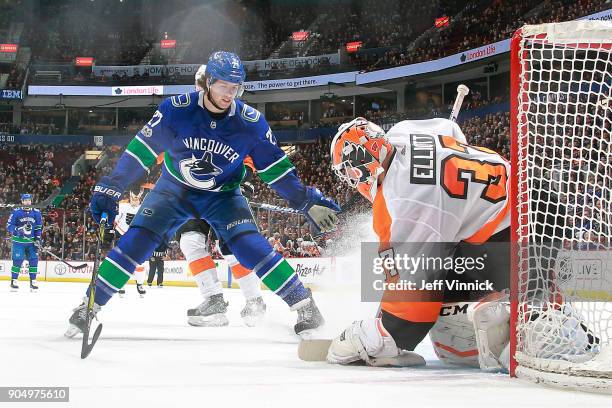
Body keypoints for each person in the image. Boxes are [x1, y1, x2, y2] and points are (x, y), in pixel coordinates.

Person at [65, 51, 339, 339]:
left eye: (236, 88)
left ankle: (305, 305)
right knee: (137, 241)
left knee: (249, 246)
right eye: (224, 86)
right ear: (208, 82)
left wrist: (304, 199)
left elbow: (276, 169)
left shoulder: (250, 122)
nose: (230, 94)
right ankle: (89, 306)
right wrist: (113, 185)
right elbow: (140, 151)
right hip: (173, 191)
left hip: (223, 196)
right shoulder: (176, 110)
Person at [113, 187, 147, 297]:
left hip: (138, 239)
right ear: (130, 197)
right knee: (120, 263)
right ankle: (121, 285)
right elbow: (115, 220)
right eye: (133, 198)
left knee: (139, 263)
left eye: (137, 199)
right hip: (122, 237)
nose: (135, 201)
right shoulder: (122, 206)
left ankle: (140, 284)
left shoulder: (143, 208)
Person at [6, 194, 42, 291]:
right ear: (22, 201)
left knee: (34, 260)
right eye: (25, 200)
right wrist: (18, 229)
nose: (27, 202)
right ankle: (14, 280)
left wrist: (37, 239)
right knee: (18, 261)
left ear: (31, 201)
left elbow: (38, 227)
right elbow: (9, 225)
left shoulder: (36, 212)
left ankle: (33, 281)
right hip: (19, 242)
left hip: (31, 242)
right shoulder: (16, 212)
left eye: (29, 200)